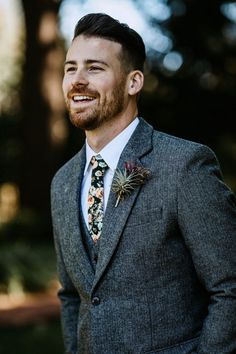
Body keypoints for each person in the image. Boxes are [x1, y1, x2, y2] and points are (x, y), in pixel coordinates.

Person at [51, 13, 236, 354]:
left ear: (133, 82)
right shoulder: (61, 182)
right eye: (70, 67)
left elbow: (229, 287)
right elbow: (71, 296)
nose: (77, 80)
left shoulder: (184, 165)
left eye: (94, 68)